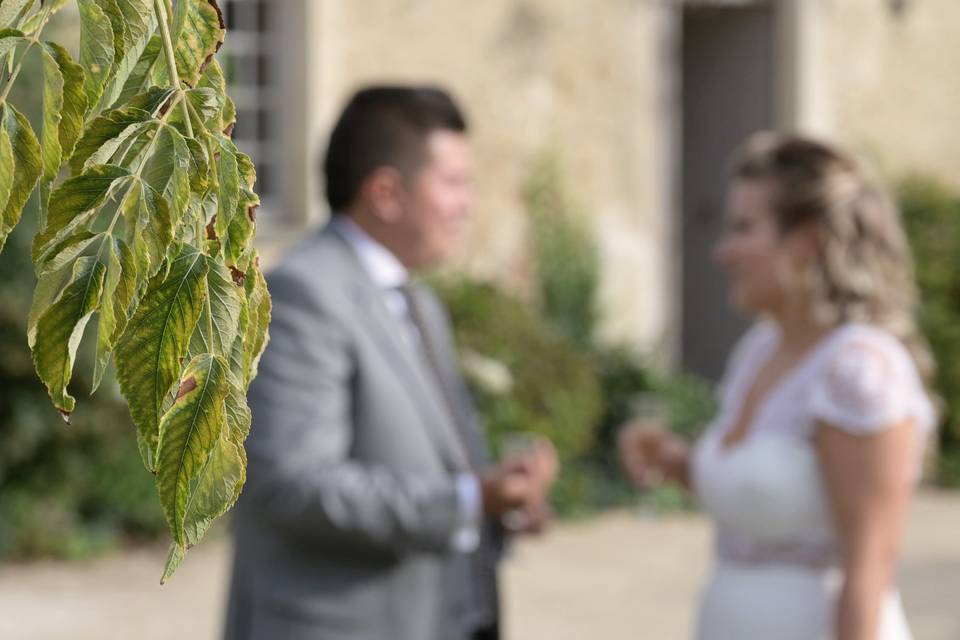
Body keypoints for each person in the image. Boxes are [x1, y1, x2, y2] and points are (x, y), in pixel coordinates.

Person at [224, 85, 557, 640]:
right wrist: (470, 499)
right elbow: (296, 485)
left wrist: (499, 505)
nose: (468, 204)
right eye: (453, 183)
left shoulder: (418, 299)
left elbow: (428, 470)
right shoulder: (304, 293)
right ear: (385, 192)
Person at [619, 132, 936, 640]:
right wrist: (677, 462)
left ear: (807, 239)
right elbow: (768, 498)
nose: (723, 252)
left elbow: (869, 566)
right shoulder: (760, 351)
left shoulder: (860, 370)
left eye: (743, 228)